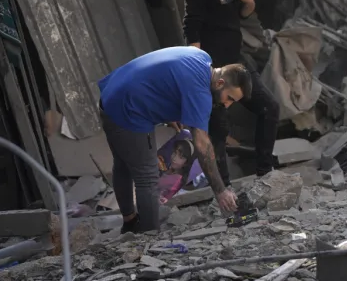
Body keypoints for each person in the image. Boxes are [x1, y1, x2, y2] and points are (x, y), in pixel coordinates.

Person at [98, 46, 252, 233]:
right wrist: (221, 191)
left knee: (123, 164)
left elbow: (167, 77)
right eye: (229, 98)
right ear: (220, 83)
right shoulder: (201, 92)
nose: (226, 105)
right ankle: (148, 236)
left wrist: (168, 109)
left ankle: (130, 221)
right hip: (128, 110)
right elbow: (202, 145)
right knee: (147, 176)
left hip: (111, 94)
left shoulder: (201, 57)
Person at [183, 0, 279, 188]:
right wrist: (199, 70)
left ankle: (265, 174)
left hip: (237, 65)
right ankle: (223, 191)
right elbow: (191, 26)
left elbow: (241, 14)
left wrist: (250, 2)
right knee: (218, 130)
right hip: (213, 70)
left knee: (269, 108)